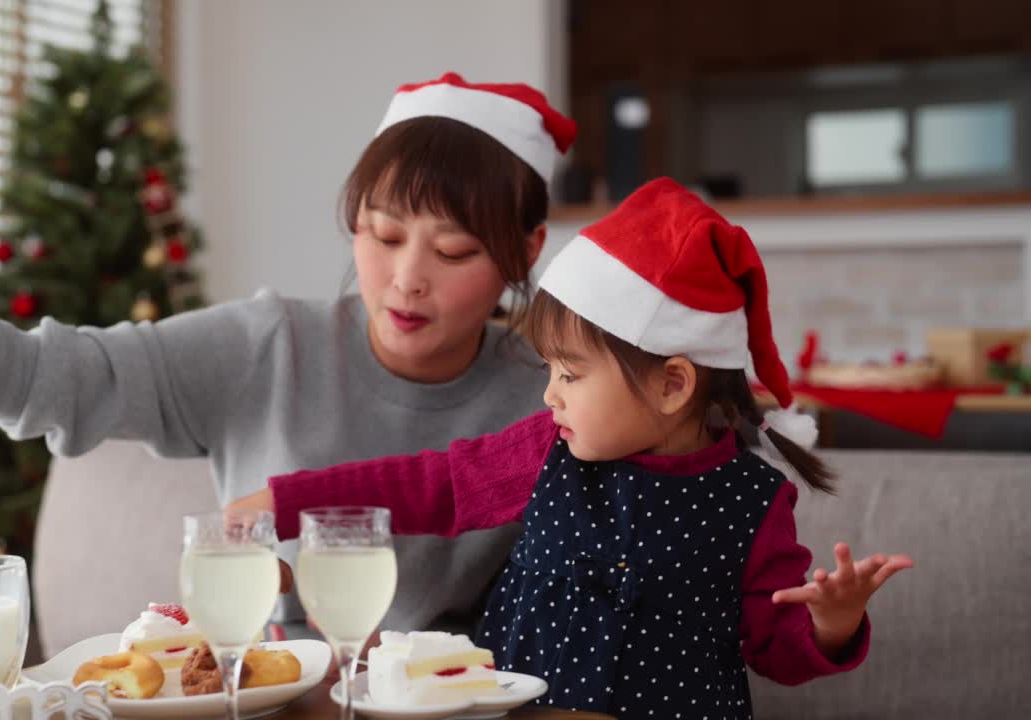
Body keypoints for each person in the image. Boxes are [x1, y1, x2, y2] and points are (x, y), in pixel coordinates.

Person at [0, 72, 577, 639]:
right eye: (382, 234)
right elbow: (44, 378)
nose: (408, 279)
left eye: (454, 249)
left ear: (525, 248)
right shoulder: (269, 344)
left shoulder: (559, 396)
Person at [233, 178, 914, 717]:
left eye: (571, 374)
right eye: (550, 372)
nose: (550, 395)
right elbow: (427, 486)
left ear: (673, 384)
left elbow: (777, 651)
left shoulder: (753, 501)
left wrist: (831, 624)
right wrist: (288, 500)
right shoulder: (545, 451)